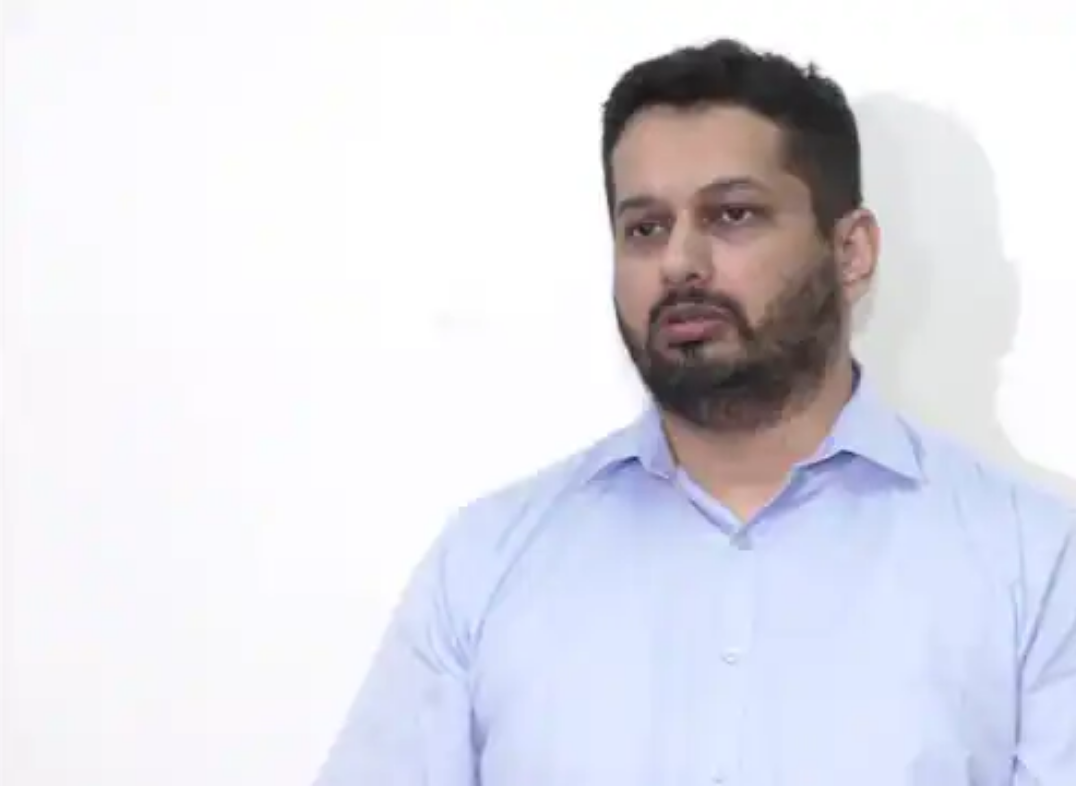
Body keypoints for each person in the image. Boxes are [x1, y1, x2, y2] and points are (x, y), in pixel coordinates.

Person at [312, 38, 1076, 786]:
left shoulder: (1035, 567)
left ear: (851, 252)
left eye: (732, 215)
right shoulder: (485, 566)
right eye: (645, 228)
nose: (679, 262)